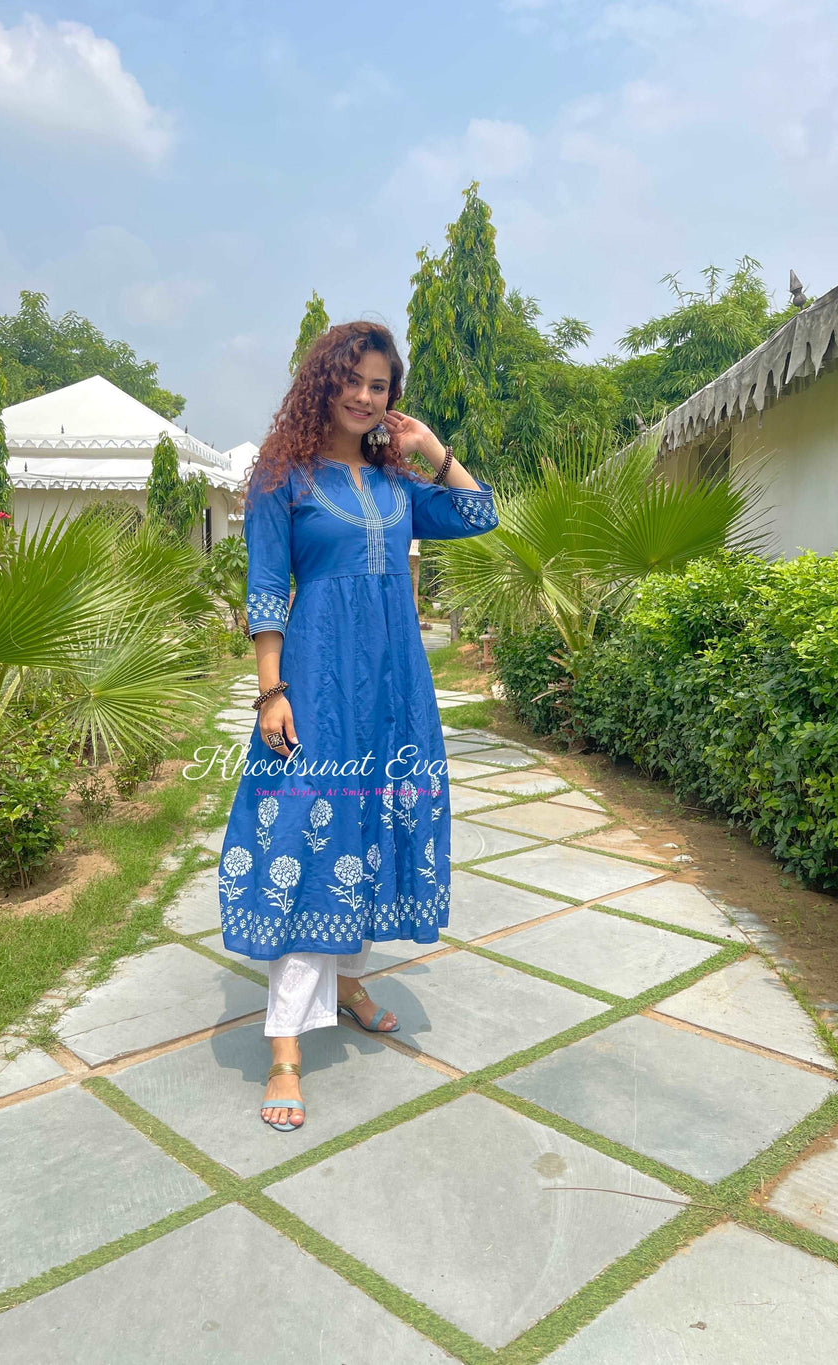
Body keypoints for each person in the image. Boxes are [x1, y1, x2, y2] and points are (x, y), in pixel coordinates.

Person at [219, 320, 499, 1131]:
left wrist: (430, 446)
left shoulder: (396, 487)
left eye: (380, 385)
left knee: (373, 825)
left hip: (394, 686)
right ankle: (284, 1044)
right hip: (317, 680)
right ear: (324, 381)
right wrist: (271, 692)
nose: (365, 396)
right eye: (353, 379)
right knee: (308, 837)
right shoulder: (283, 479)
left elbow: (480, 513)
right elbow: (265, 586)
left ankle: (346, 982)